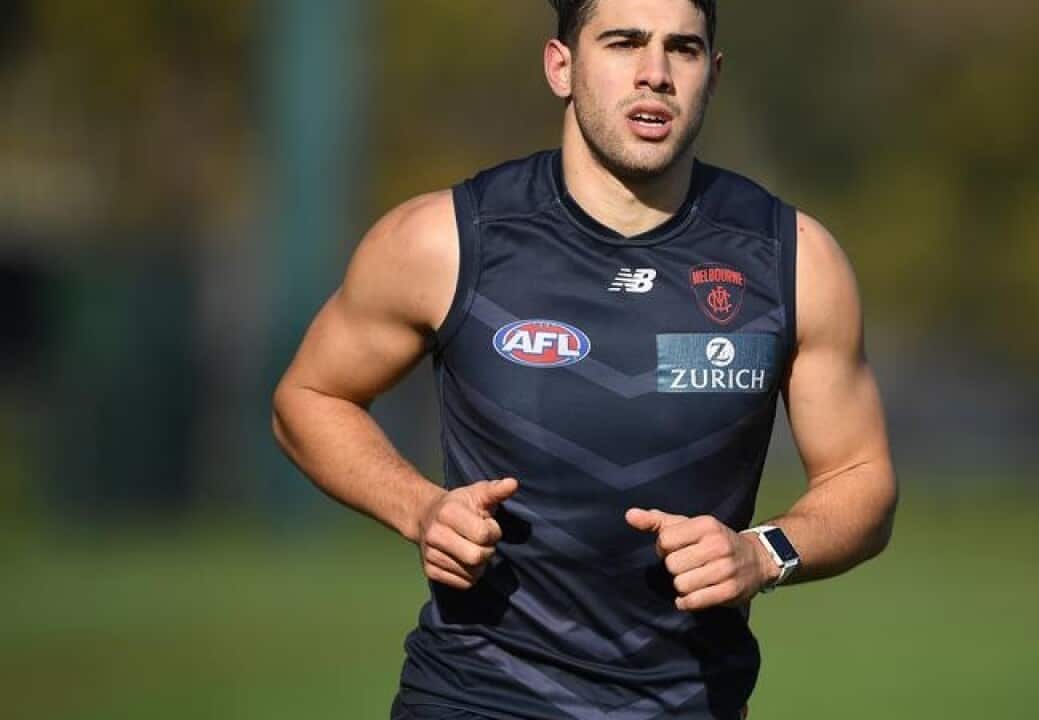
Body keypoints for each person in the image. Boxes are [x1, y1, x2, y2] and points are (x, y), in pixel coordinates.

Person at [271, 1, 898, 717]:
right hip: (474, 698)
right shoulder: (444, 240)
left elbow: (862, 480)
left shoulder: (793, 259)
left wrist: (762, 553)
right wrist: (419, 510)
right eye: (624, 42)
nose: (655, 74)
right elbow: (308, 399)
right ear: (560, 66)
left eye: (683, 49)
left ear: (713, 74)